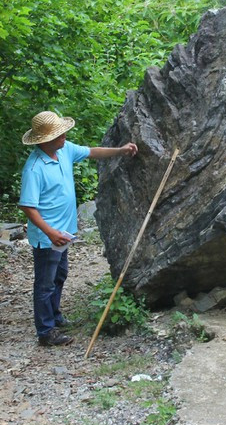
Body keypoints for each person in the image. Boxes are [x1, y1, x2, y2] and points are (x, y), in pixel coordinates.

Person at [18, 111, 137, 346]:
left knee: (60, 275)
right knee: (44, 283)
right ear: (44, 141)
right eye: (59, 135)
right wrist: (51, 232)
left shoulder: (64, 150)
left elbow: (92, 152)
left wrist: (121, 150)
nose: (64, 137)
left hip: (65, 232)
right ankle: (46, 332)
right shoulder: (34, 169)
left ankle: (55, 315)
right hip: (47, 236)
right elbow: (28, 207)